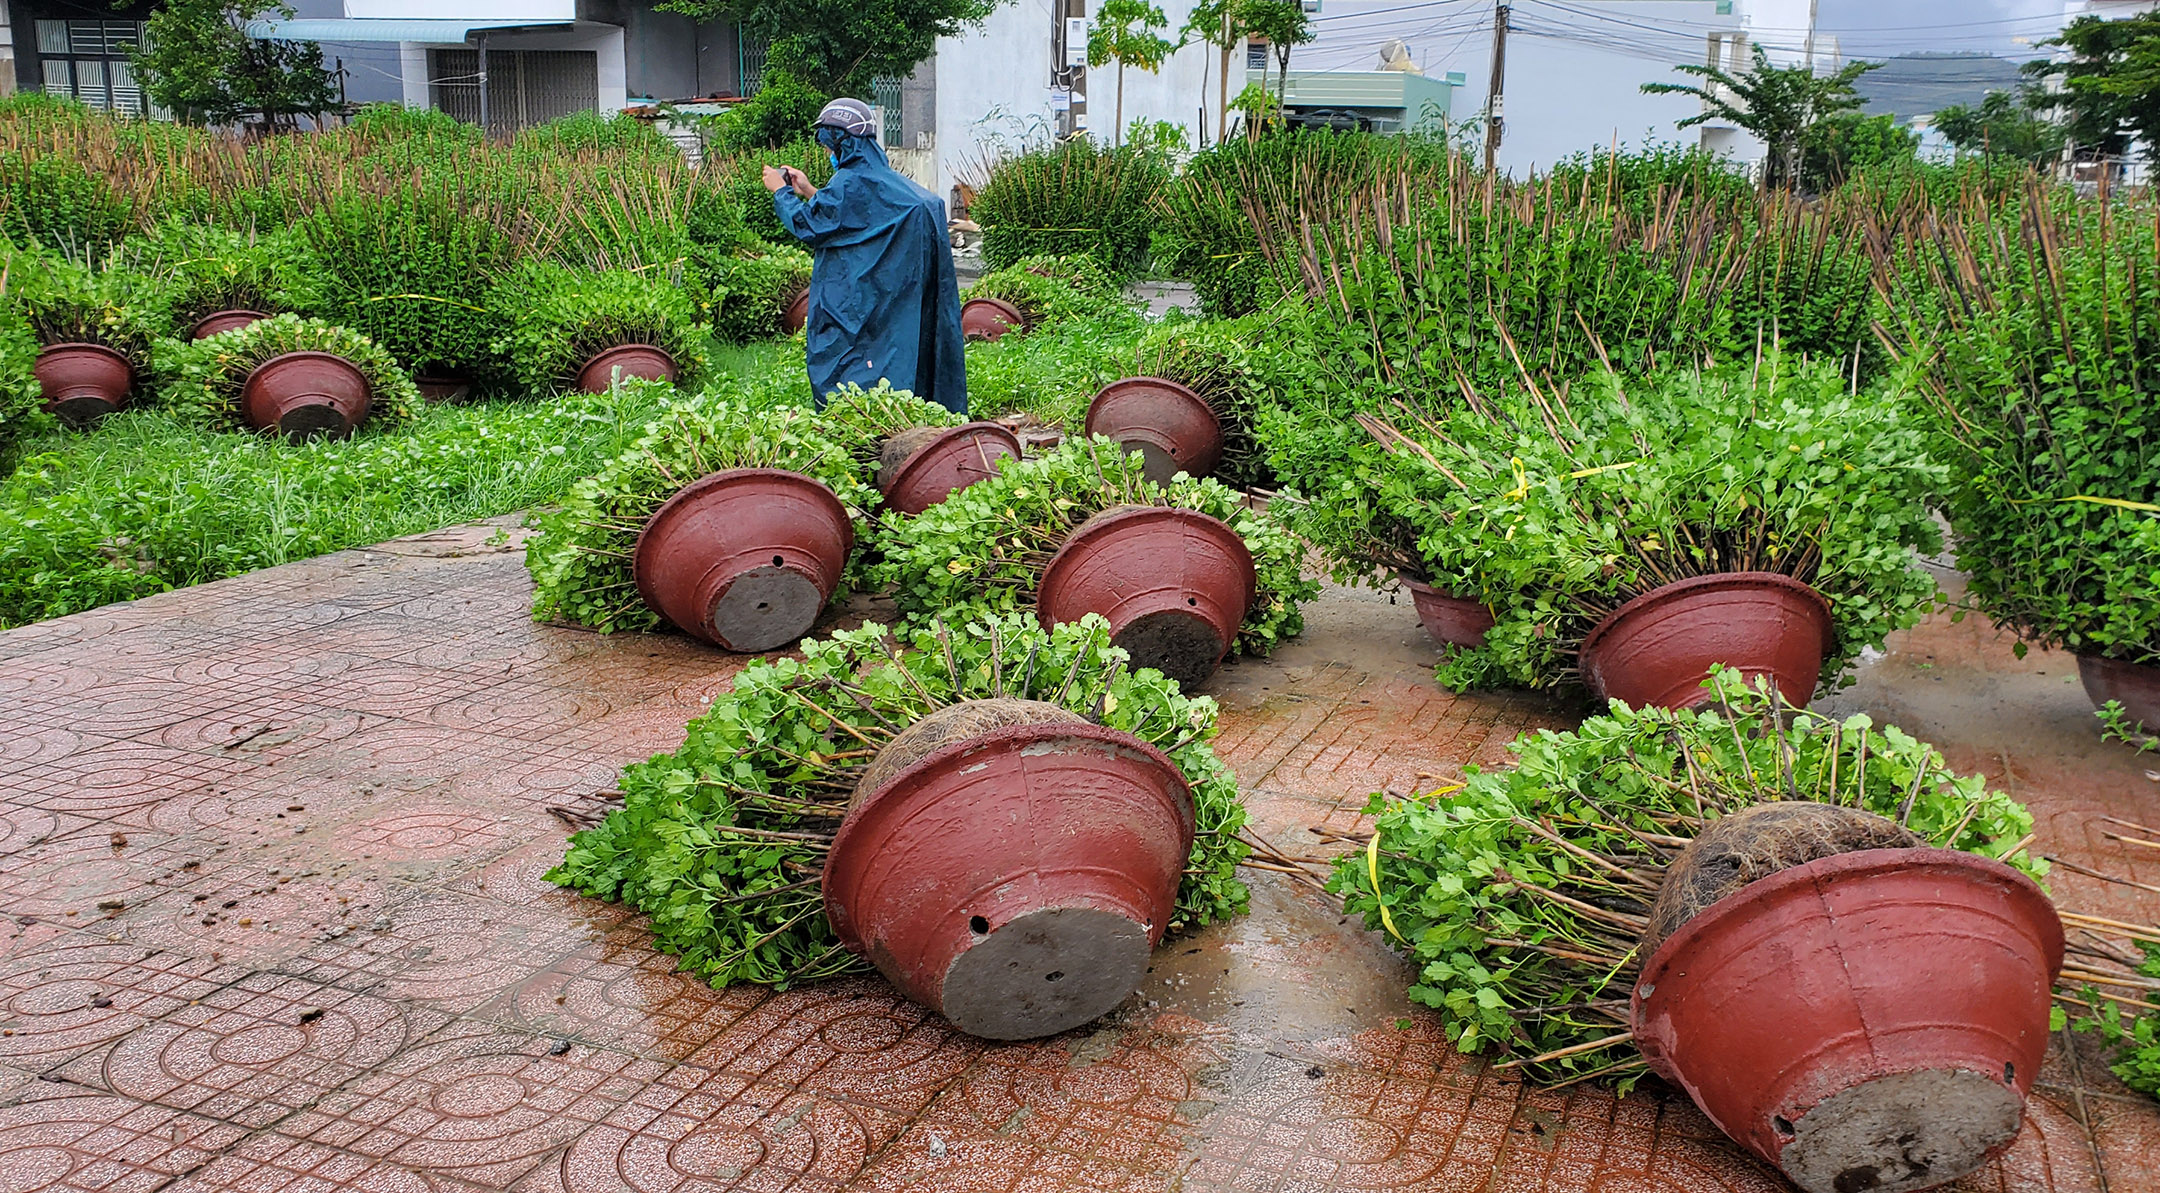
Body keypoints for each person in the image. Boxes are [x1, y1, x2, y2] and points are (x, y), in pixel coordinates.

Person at [764, 99, 967, 413]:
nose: (829, 155)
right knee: (896, 357)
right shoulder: (886, 184)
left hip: (859, 300)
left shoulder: (849, 183)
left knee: (850, 367)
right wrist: (809, 190)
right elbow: (854, 218)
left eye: (830, 147)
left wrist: (781, 192)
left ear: (844, 143)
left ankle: (862, 427)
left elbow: (811, 226)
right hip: (896, 298)